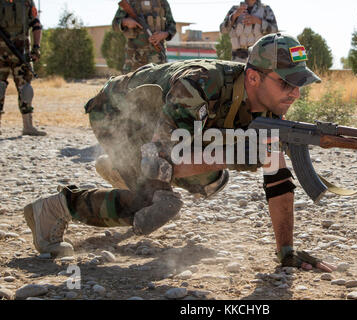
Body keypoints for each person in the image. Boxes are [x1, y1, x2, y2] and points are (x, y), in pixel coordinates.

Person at [23, 33, 336, 273]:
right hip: (117, 114)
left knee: (211, 180)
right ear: (254, 77)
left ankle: (121, 170)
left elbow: (278, 177)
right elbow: (163, 159)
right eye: (287, 83)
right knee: (158, 203)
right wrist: (243, 153)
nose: (295, 93)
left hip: (157, 129)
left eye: (299, 85)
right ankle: (56, 207)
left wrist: (287, 252)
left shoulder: (269, 107)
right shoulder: (198, 84)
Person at [0, 0, 46, 136]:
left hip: (22, 53)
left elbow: (36, 25)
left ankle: (28, 126)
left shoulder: (27, 2)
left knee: (26, 89)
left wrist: (36, 48)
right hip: (0, 54)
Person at [112, 0, 177, 74]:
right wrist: (125, 22)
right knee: (132, 85)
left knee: (158, 84)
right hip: (134, 59)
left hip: (157, 58)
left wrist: (164, 34)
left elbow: (172, 27)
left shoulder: (162, 2)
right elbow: (115, 25)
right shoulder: (129, 1)